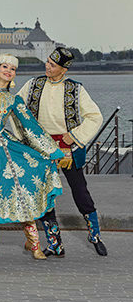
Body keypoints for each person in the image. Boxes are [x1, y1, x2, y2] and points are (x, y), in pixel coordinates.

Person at [0, 54, 64, 260]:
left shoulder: (14, 100)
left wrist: (51, 151)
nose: (8, 71)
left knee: (21, 194)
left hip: (4, 150)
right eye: (4, 67)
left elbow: (31, 127)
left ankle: (35, 245)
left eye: (12, 69)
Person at [18, 47, 107, 257]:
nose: (47, 67)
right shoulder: (33, 85)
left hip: (68, 147)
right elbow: (17, 109)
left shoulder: (76, 90)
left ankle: (94, 235)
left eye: (52, 65)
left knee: (80, 191)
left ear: (64, 69)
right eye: (47, 62)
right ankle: (54, 242)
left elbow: (95, 116)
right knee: (46, 194)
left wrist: (73, 136)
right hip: (41, 148)